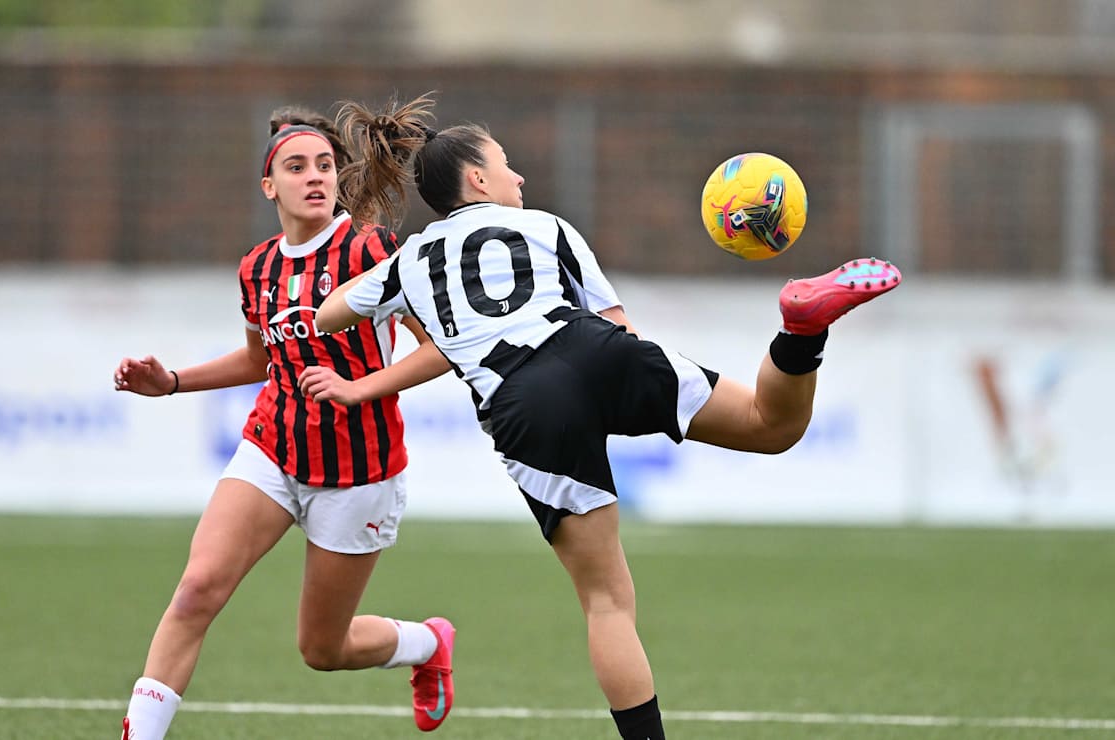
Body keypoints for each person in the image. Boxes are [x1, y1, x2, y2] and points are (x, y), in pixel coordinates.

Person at [306, 93, 902, 740]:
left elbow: (329, 313)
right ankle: (799, 329)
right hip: (597, 350)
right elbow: (619, 327)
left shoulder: (411, 261)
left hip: (525, 403)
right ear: (477, 179)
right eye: (508, 166)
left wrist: (379, 276)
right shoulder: (551, 228)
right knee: (771, 425)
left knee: (608, 602)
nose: (521, 178)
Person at [112, 104, 458, 740]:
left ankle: (426, 643)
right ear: (270, 186)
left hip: (359, 472)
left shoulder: (370, 249)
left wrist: (358, 389)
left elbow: (441, 347)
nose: (315, 177)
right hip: (273, 449)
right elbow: (258, 358)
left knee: (322, 649)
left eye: (324, 165)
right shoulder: (257, 268)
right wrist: (172, 384)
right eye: (296, 167)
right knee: (196, 591)